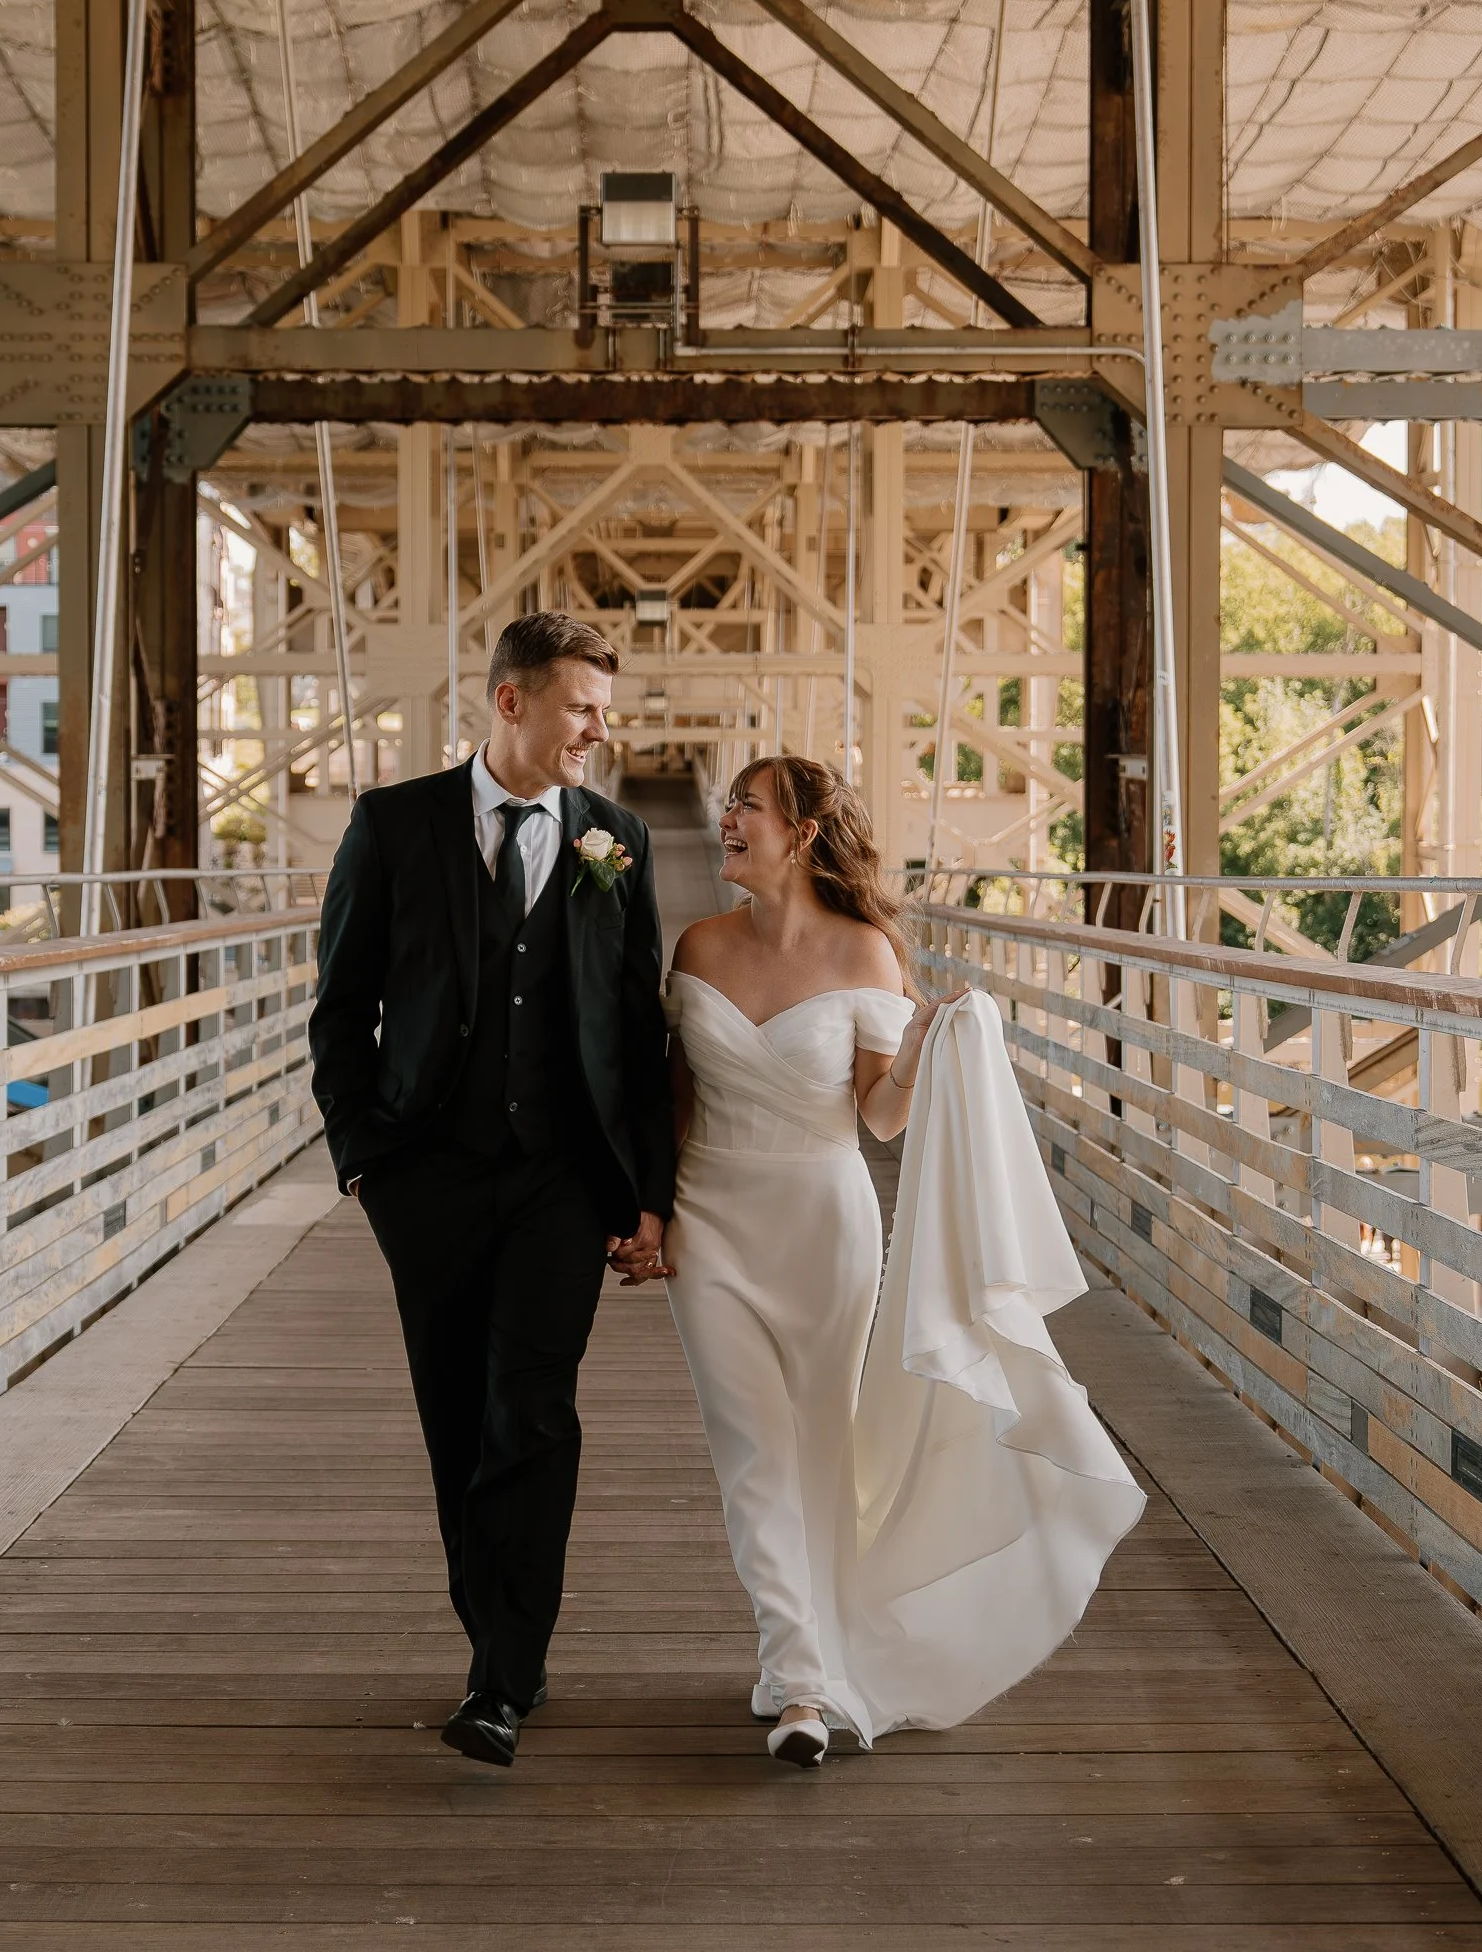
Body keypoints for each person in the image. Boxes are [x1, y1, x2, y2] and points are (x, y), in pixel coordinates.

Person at [665, 754, 1141, 1763]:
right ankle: (802, 1685)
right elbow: (675, 1096)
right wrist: (649, 1214)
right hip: (710, 1215)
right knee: (751, 1449)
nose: (726, 821)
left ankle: (811, 1653)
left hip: (823, 1221)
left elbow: (877, 1119)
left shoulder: (868, 955)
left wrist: (922, 1053)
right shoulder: (696, 948)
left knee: (822, 1449)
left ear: (797, 834)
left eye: (745, 807)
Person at [309, 611, 674, 1769]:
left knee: (534, 1409)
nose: (597, 734)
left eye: (605, 715)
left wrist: (646, 1193)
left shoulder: (614, 839)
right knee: (455, 1418)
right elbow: (338, 1008)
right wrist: (368, 1159)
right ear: (512, 703)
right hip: (427, 1178)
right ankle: (500, 1631)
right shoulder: (393, 824)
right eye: (580, 709)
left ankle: (501, 1675)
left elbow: (636, 1029)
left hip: (562, 1181)